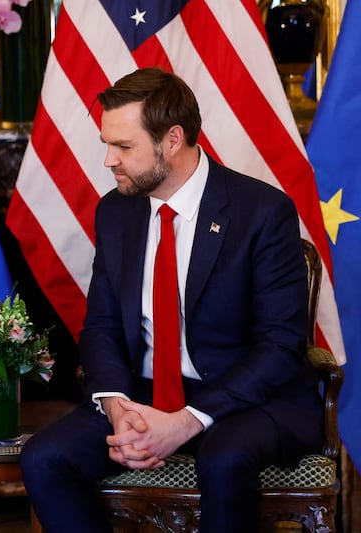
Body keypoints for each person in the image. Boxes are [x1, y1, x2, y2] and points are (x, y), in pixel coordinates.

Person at [19, 67, 323, 533]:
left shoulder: (261, 212)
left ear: (172, 140)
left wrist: (187, 421)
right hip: (143, 392)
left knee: (223, 459)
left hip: (245, 399)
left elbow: (280, 347)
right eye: (107, 143)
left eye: (123, 147)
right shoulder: (116, 211)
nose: (108, 160)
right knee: (44, 457)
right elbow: (100, 324)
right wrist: (117, 406)